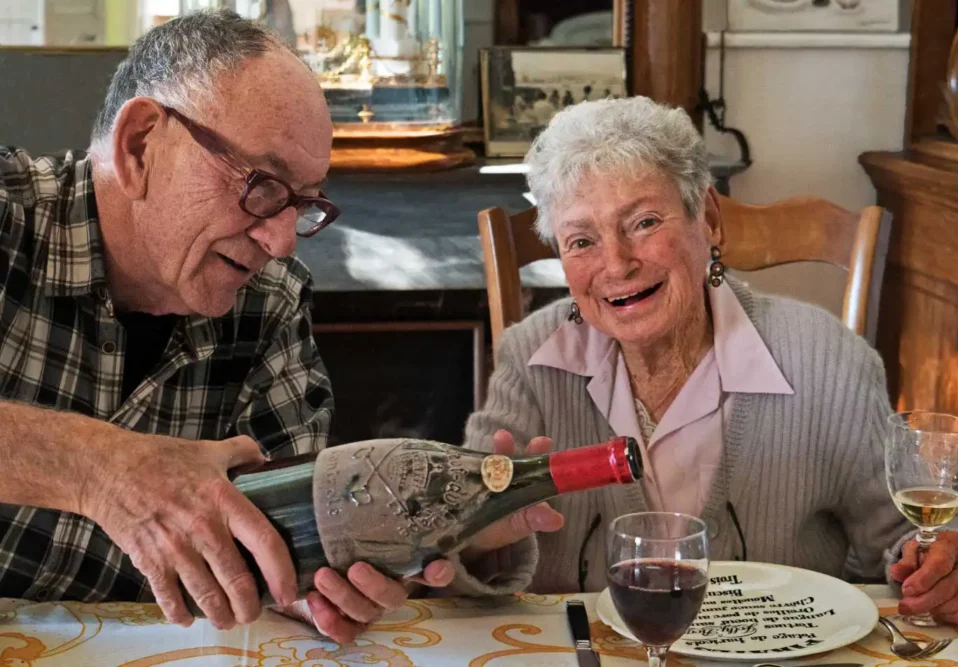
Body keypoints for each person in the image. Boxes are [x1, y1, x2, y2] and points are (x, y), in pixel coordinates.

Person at [0, 10, 553, 643]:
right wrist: (105, 470)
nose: (283, 241)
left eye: (305, 202)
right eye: (262, 186)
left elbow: (299, 533)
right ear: (139, 145)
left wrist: (336, 579)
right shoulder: (11, 219)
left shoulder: (268, 302)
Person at [463, 96, 958, 625]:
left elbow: (913, 533)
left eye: (644, 222)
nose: (618, 264)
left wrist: (946, 565)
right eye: (582, 240)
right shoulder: (530, 359)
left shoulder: (827, 360)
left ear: (709, 220)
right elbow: (451, 537)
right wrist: (473, 543)